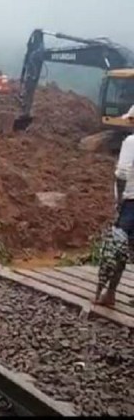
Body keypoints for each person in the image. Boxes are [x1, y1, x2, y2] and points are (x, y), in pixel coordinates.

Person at [96, 105, 134, 306]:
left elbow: (122, 173)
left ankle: (110, 294)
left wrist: (118, 202)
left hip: (131, 204)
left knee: (118, 248)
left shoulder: (131, 142)